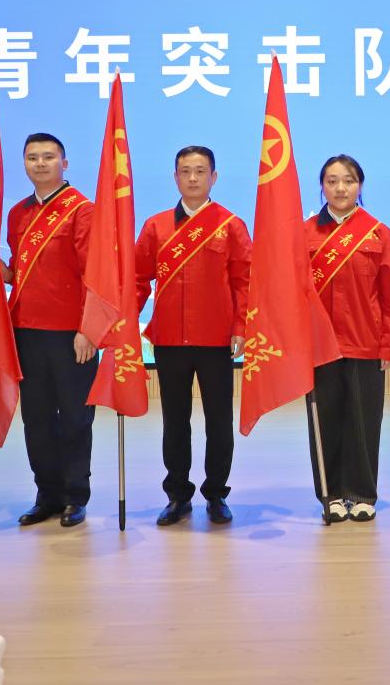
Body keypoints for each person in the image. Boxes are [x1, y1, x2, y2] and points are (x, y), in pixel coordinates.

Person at [135, 146, 251, 526]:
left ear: (213, 177)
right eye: (185, 171)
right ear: (175, 177)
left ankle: (216, 494)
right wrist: (123, 324)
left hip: (217, 339)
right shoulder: (155, 226)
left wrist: (241, 327)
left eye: (201, 171)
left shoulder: (231, 225)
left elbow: (244, 282)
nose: (193, 178)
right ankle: (177, 495)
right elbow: (138, 279)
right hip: (169, 339)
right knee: (175, 421)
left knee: (219, 421)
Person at [305, 155, 390, 523]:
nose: (340, 188)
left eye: (348, 180)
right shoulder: (303, 233)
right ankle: (331, 493)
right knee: (325, 421)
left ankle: (362, 493)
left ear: (359, 185)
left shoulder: (378, 233)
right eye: (332, 181)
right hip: (319, 347)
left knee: (365, 424)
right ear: (322, 187)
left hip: (366, 343)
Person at [4, 133, 97, 528]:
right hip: (26, 330)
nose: (40, 164)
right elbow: (20, 272)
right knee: (37, 419)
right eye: (32, 158)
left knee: (75, 418)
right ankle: (47, 494)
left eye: (48, 157)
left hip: (72, 334)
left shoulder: (83, 210)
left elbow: (95, 275)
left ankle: (75, 496)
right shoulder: (17, 213)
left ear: (64, 163)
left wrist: (89, 329)